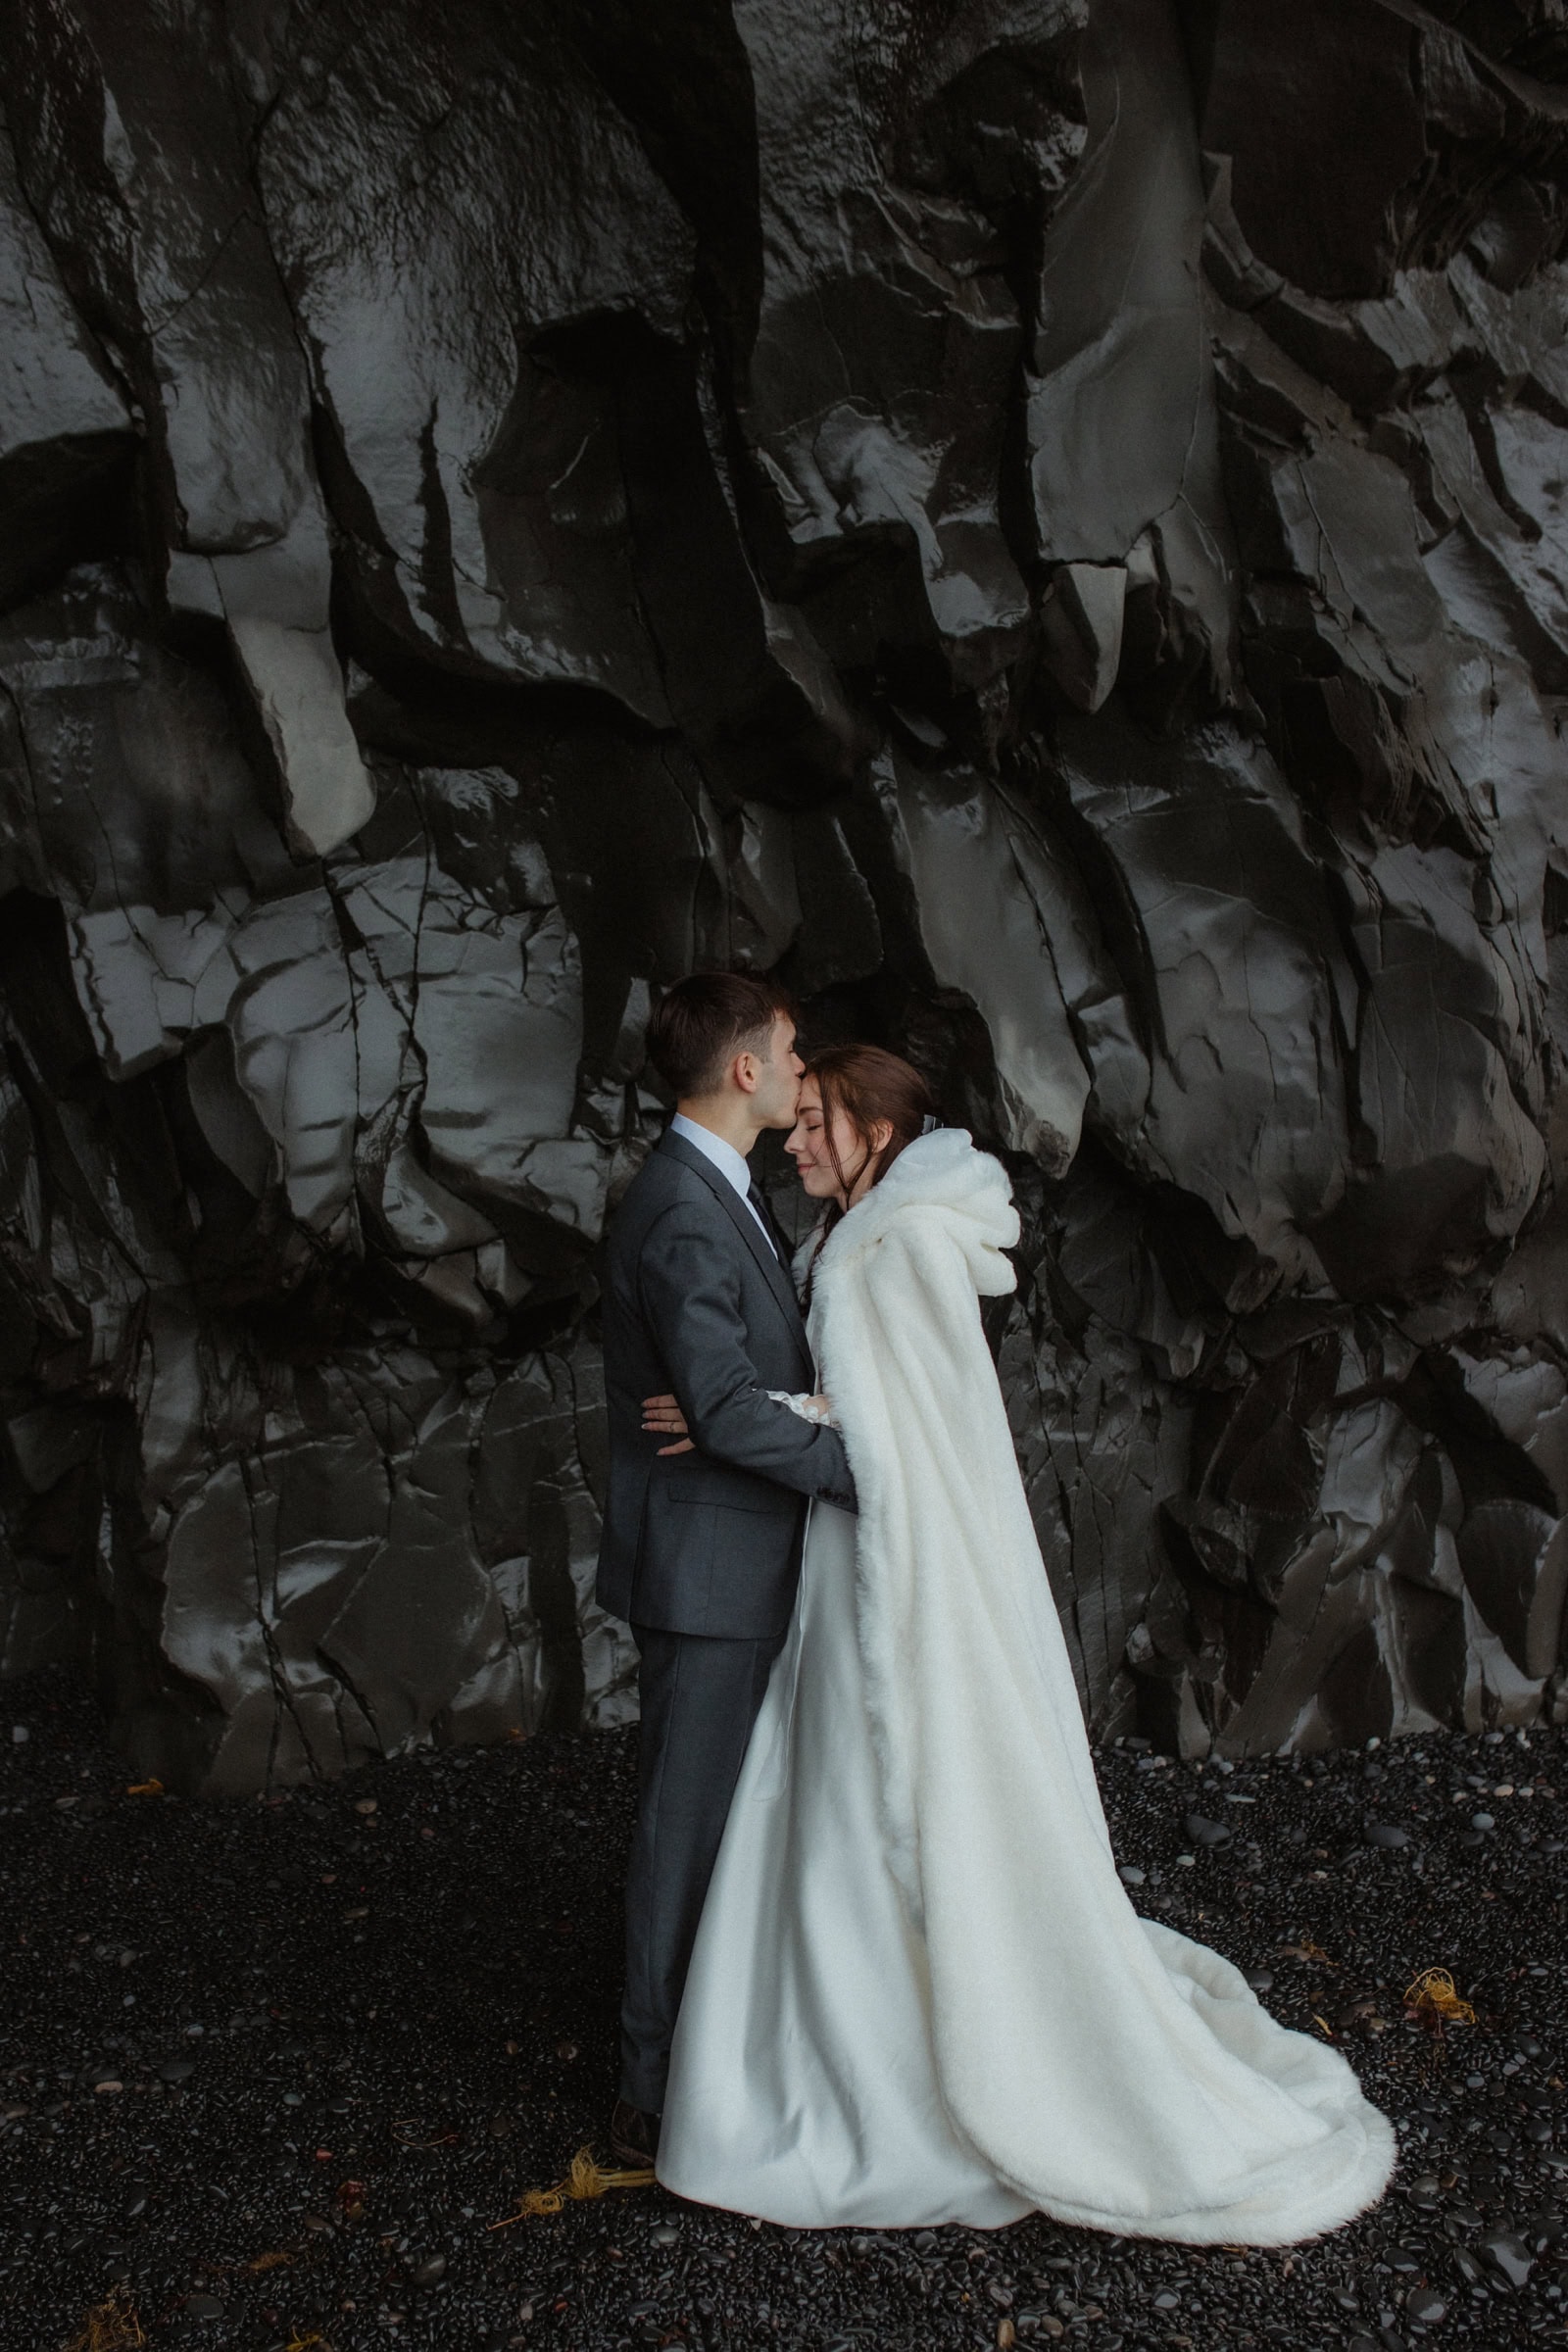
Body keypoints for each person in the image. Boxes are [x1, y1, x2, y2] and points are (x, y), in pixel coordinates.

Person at [644, 1043, 1397, 2240]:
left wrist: (745, 1417)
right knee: (823, 1777)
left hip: (884, 1553)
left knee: (861, 1781)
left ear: (875, 1134)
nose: (797, 1137)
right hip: (845, 1554)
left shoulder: (900, 1245)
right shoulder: (856, 1234)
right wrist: (761, 1412)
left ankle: (880, 2057)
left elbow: (917, 1434)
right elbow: (877, 1411)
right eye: (800, 1118)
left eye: (820, 1121)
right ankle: (817, 2035)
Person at [595, 974, 858, 2170]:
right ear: (746, 1068)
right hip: (708, 1571)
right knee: (685, 1826)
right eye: (793, 1054)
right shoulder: (686, 1207)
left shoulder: (717, 1188)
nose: (803, 1074)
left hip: (733, 1557)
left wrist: (746, 1406)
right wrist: (876, 1473)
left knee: (716, 1821)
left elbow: (734, 1397)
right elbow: (720, 1407)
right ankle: (648, 2095)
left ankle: (707, 2054)